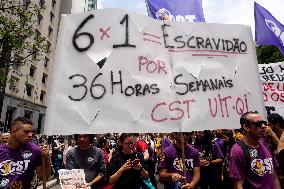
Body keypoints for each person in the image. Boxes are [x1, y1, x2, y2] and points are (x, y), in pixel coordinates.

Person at [229, 111, 281, 189]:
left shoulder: (266, 145)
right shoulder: (238, 150)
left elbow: (274, 176)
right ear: (246, 127)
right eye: (258, 124)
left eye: (264, 123)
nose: (263, 126)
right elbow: (238, 184)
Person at [0, 117, 50, 188]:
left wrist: (46, 158)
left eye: (32, 132)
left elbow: (43, 177)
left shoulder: (35, 150)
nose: (30, 135)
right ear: (14, 132)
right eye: (26, 132)